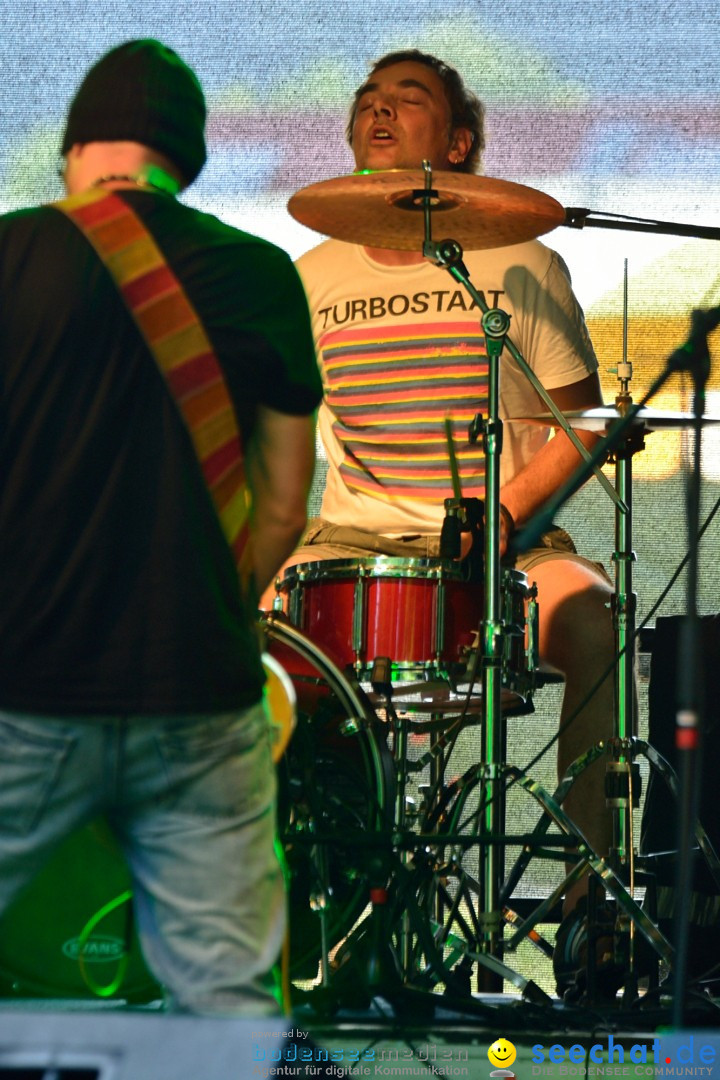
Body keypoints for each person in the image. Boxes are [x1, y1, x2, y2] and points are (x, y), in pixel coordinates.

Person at [261, 49, 619, 994]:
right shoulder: (307, 276)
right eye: (367, 102)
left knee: (591, 617)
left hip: (506, 546)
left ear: (456, 142)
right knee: (239, 638)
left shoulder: (521, 261)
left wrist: (500, 518)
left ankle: (591, 913)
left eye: (407, 99)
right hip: (352, 546)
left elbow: (578, 424)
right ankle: (299, 907)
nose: (379, 111)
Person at [0, 40, 321, 1015]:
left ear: (77, 150)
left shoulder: (7, 256)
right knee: (225, 992)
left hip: (23, 683)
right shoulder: (262, 273)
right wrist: (212, 610)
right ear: (184, 162)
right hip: (199, 691)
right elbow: (282, 506)